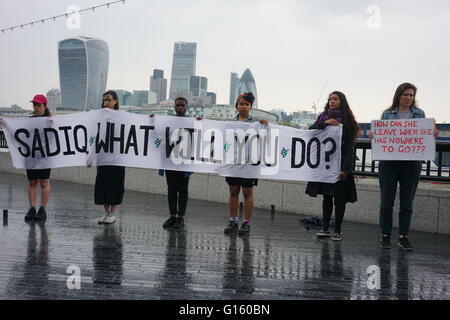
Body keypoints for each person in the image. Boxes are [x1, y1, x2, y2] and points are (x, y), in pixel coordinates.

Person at [374, 83, 438, 251]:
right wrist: (376, 134)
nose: (408, 98)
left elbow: (424, 137)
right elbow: (382, 136)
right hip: (389, 163)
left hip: (411, 164)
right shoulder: (387, 114)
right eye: (405, 95)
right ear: (398, 96)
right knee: (386, 201)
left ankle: (403, 237)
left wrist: (432, 135)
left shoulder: (420, 114)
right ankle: (385, 236)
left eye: (411, 95)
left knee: (407, 202)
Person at [305, 91, 360, 241]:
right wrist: (325, 123)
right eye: (330, 99)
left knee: (340, 199)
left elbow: (349, 147)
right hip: (325, 165)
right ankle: (325, 228)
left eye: (335, 99)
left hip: (340, 165)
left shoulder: (347, 122)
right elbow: (311, 132)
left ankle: (337, 230)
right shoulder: (323, 117)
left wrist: (345, 169)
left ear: (342, 101)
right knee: (327, 198)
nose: (332, 101)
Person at [223, 92, 268, 236]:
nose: (243, 107)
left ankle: (246, 222)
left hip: (249, 163)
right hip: (233, 162)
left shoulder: (256, 123)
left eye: (246, 105)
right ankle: (233, 220)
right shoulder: (228, 123)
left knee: (247, 192)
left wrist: (265, 125)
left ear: (251, 107)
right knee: (233, 191)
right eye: (241, 104)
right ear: (236, 106)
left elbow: (266, 137)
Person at [158, 97, 193, 229]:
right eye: (177, 105)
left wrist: (201, 123)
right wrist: (151, 119)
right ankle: (172, 216)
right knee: (171, 190)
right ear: (174, 107)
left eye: (182, 105)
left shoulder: (192, 122)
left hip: (184, 163)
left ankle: (181, 217)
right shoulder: (168, 122)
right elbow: (157, 133)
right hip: (170, 162)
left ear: (186, 107)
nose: (180, 108)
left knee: (183, 190)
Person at [95, 91, 125, 224]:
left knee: (115, 185)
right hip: (103, 158)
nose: (106, 103)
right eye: (104, 100)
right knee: (103, 185)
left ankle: (113, 213)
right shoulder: (100, 117)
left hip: (117, 158)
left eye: (108, 100)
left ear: (116, 101)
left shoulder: (123, 117)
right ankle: (106, 212)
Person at [23, 94, 52, 221]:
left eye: (38, 105)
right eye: (34, 105)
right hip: (32, 156)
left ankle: (42, 209)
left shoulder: (51, 121)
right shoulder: (30, 120)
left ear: (45, 106)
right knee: (32, 182)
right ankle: (32, 208)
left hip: (45, 157)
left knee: (44, 182)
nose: (36, 107)